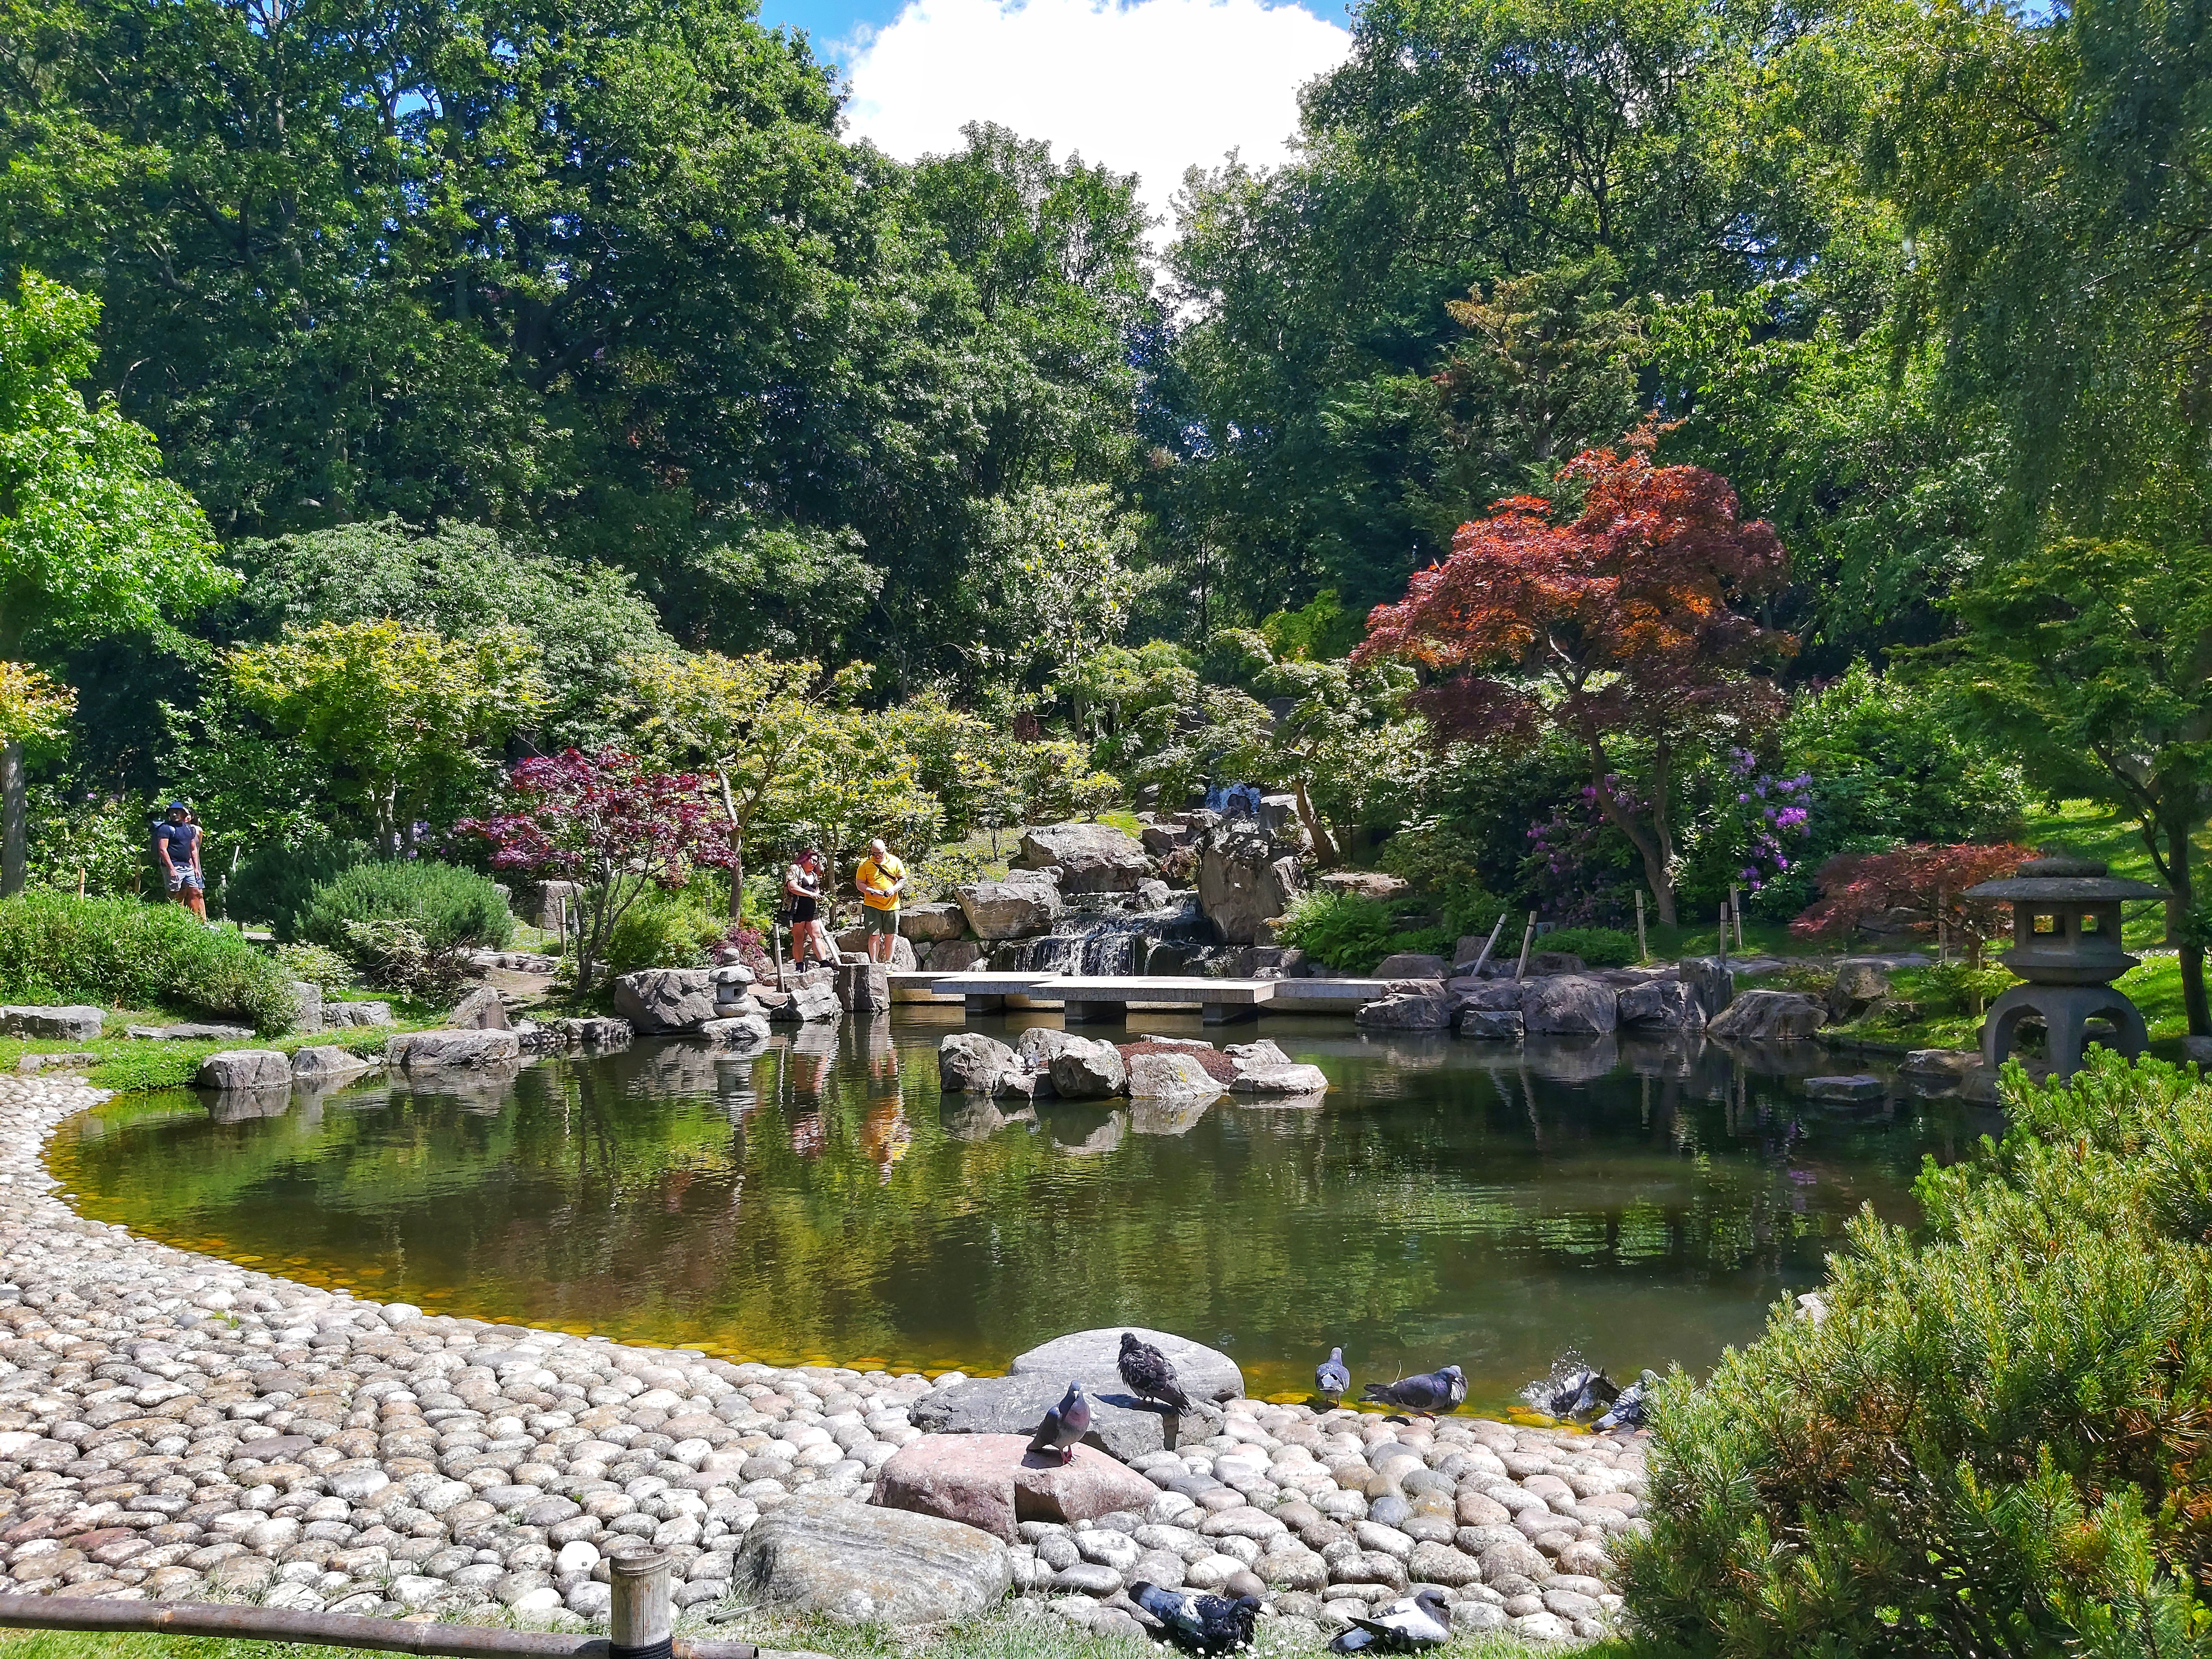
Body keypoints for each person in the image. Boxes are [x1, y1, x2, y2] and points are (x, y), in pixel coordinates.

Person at [854, 837, 908, 964]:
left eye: (880, 854)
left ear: (885, 851)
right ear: (871, 852)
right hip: (872, 904)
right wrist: (872, 891)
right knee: (874, 935)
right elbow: (859, 883)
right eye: (875, 854)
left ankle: (889, 962)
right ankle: (874, 963)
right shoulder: (865, 864)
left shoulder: (895, 861)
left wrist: (894, 890)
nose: (877, 856)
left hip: (892, 905)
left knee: (890, 935)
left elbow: (903, 880)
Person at [154, 800, 207, 921]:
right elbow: (163, 850)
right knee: (176, 894)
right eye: (172, 812)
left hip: (188, 866)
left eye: (177, 812)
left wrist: (195, 868)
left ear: (183, 814)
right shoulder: (166, 829)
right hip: (174, 866)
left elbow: (193, 849)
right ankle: (174, 919)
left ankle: (197, 922)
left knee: (196, 892)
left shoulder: (190, 829)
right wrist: (171, 869)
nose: (175, 814)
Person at [782, 849, 836, 969]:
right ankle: (799, 965)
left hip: (811, 909)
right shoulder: (795, 869)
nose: (815, 864)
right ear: (805, 858)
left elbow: (816, 889)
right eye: (813, 860)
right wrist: (810, 894)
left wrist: (817, 895)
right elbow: (792, 887)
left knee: (817, 934)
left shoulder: (814, 874)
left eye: (817, 862)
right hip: (797, 909)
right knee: (799, 938)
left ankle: (824, 963)